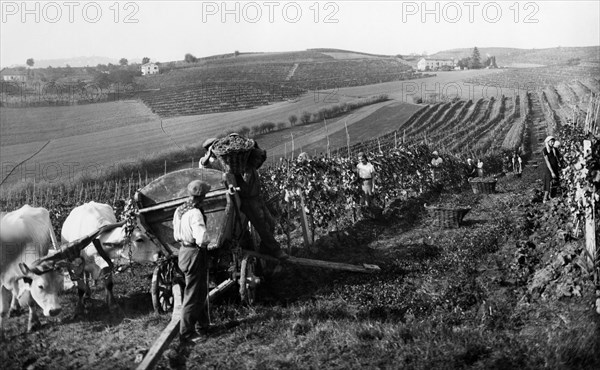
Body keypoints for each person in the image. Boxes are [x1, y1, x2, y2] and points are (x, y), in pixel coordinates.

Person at [173, 180, 212, 345]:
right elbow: (202, 238)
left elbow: (176, 234)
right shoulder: (195, 213)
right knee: (193, 294)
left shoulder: (180, 210)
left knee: (200, 290)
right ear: (201, 196)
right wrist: (205, 242)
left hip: (183, 251)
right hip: (195, 253)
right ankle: (186, 333)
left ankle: (203, 325)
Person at [236, 146, 288, 260]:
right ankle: (276, 250)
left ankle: (265, 249)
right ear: (251, 159)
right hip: (249, 202)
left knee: (271, 223)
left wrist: (257, 148)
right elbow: (244, 189)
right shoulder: (245, 170)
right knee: (262, 226)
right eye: (256, 159)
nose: (259, 161)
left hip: (257, 199)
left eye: (259, 159)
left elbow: (262, 158)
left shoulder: (253, 167)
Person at [542, 136, 561, 203]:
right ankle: (545, 198)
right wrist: (552, 172)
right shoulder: (545, 150)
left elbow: (558, 158)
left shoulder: (555, 149)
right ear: (548, 142)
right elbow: (547, 162)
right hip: (549, 169)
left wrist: (560, 165)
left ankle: (552, 197)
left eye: (553, 141)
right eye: (551, 141)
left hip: (555, 167)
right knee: (548, 183)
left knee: (555, 182)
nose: (552, 143)